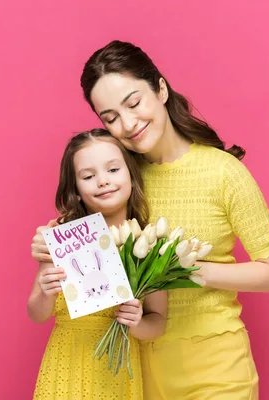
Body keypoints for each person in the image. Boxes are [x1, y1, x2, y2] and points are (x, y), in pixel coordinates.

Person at [31, 40, 269, 399]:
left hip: (216, 367)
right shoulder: (120, 177)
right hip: (138, 370)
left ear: (161, 89)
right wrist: (48, 243)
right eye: (111, 118)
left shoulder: (223, 173)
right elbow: (79, 229)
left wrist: (179, 268)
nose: (128, 123)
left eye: (134, 103)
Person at [27, 128, 168, 399]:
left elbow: (158, 323)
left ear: (131, 176)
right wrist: (46, 292)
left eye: (113, 170)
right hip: (66, 366)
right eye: (89, 176)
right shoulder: (63, 236)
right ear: (76, 190)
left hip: (116, 373)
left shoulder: (148, 243)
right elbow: (36, 313)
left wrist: (136, 322)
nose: (103, 181)